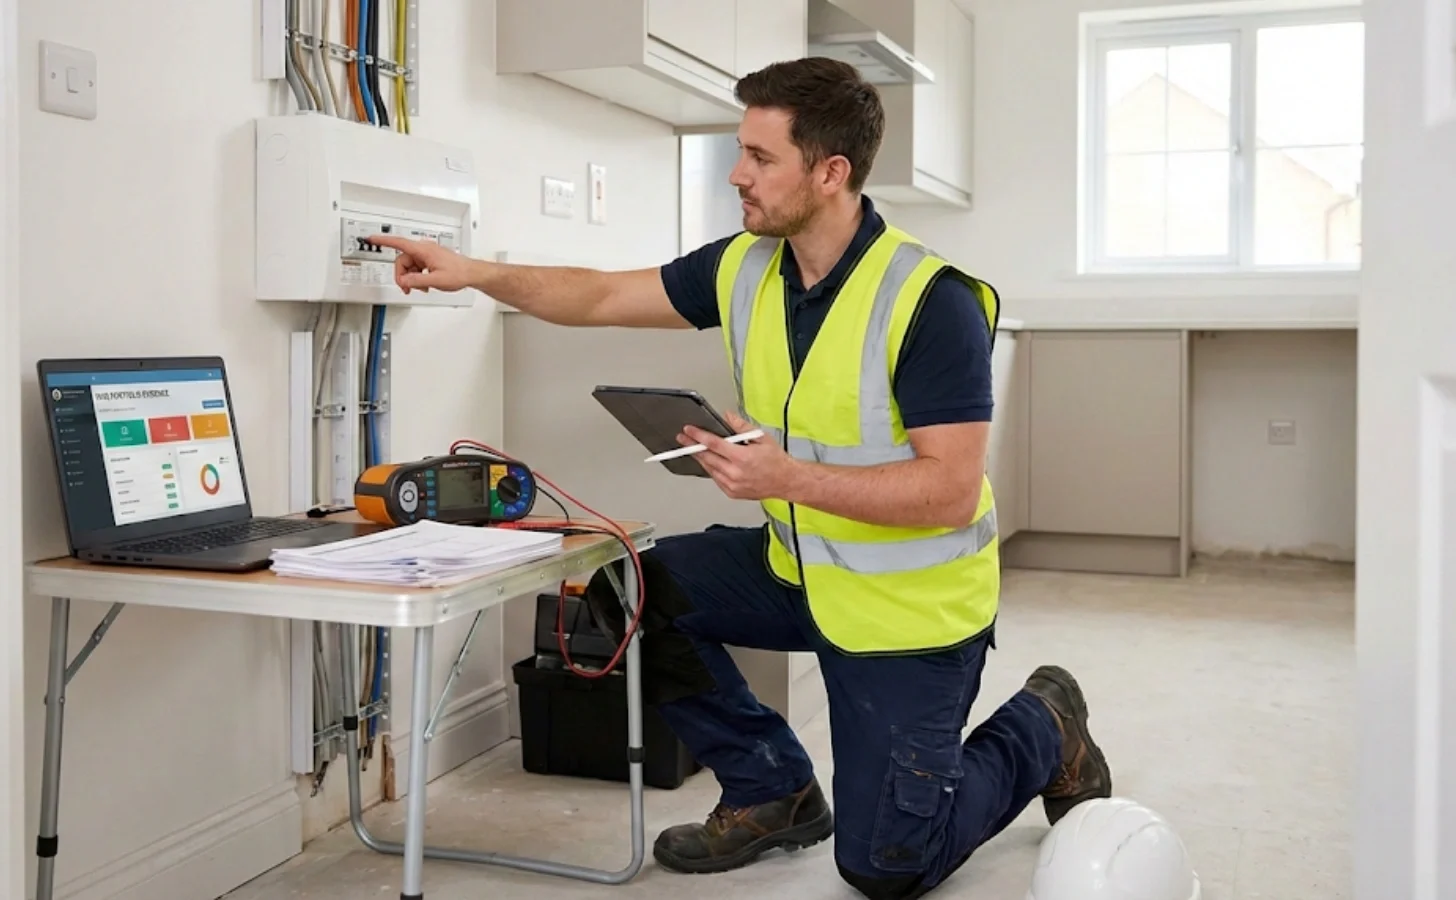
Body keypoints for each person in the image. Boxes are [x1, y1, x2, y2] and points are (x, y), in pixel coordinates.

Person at [370, 57, 1112, 900]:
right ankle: (773, 790)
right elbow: (606, 295)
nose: (737, 174)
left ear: (831, 173)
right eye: (739, 150)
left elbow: (945, 490)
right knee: (628, 587)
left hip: (910, 610)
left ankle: (1044, 727)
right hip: (801, 570)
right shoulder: (750, 265)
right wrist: (472, 272)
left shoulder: (928, 299)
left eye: (761, 157)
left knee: (887, 867)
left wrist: (783, 476)